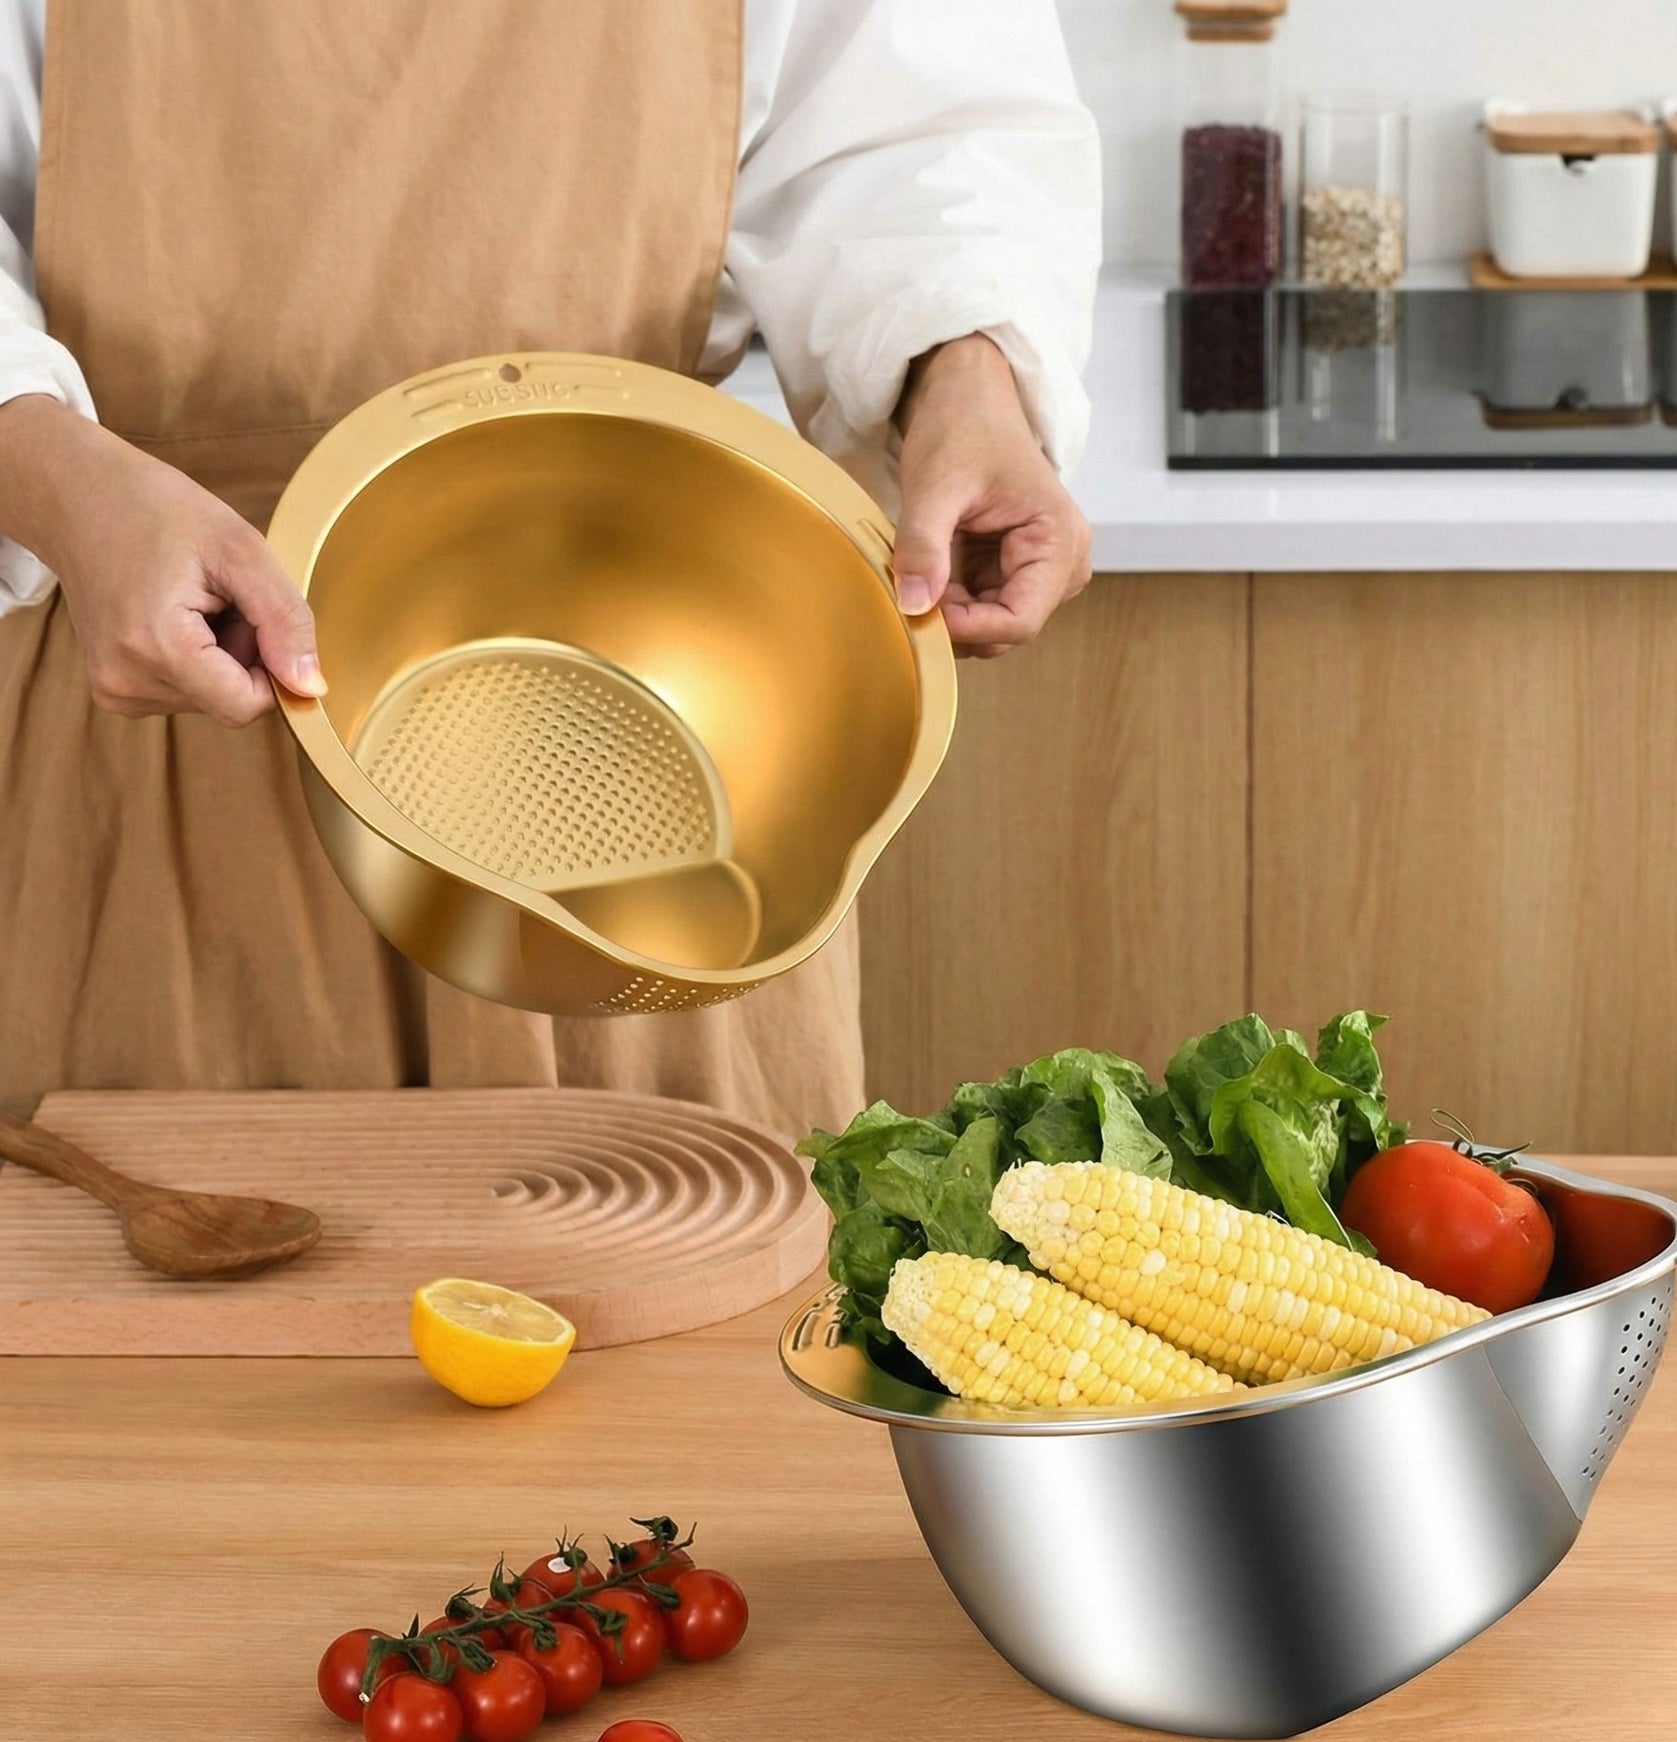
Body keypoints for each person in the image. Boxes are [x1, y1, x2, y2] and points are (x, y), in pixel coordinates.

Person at [0, 0, 1099, 1137]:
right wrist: (56, 477)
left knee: (674, 1300)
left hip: (649, 814)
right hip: (149, 693)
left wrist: (967, 377)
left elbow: (918, 135)